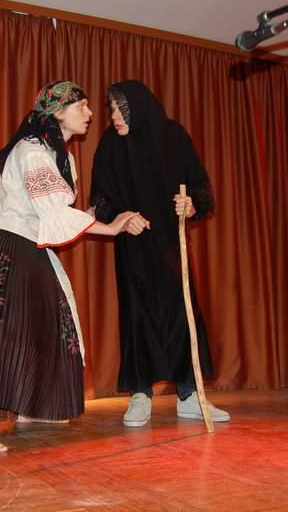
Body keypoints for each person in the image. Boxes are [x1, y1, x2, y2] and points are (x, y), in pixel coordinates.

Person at [0, 81, 141, 453]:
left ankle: (29, 406)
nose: (90, 113)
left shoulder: (60, 156)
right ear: (58, 112)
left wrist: (90, 216)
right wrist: (110, 227)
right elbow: (52, 211)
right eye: (82, 106)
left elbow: (54, 213)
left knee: (50, 320)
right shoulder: (32, 151)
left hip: (32, 241)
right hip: (9, 240)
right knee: (0, 325)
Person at [89, 80, 230, 427]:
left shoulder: (173, 136)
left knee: (181, 313)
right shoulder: (110, 145)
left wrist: (191, 204)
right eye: (111, 109)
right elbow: (100, 199)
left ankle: (189, 395)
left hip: (171, 244)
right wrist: (123, 218)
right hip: (133, 248)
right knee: (137, 316)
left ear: (139, 107)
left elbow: (200, 183)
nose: (114, 116)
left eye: (121, 109)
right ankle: (141, 394)